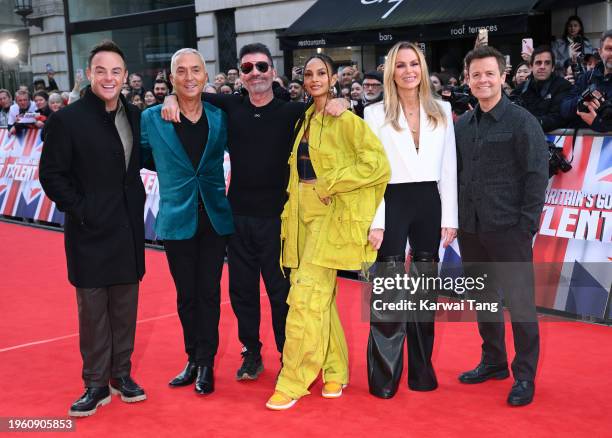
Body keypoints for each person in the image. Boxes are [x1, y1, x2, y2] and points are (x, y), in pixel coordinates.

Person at [162, 43, 348, 383]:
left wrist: (342, 100)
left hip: (279, 220)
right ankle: (251, 353)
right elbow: (191, 95)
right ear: (240, 76)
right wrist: (169, 98)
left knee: (281, 294)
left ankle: (287, 354)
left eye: (262, 67)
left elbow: (331, 115)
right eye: (247, 68)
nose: (255, 74)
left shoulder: (293, 112)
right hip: (238, 219)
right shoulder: (228, 106)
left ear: (273, 72)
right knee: (242, 293)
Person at [265, 53, 390, 410]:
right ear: (303, 81)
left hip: (329, 215)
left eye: (322, 73)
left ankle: (292, 381)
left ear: (333, 78)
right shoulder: (305, 117)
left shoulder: (346, 119)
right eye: (309, 74)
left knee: (305, 297)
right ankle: (335, 370)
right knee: (323, 298)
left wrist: (332, 182)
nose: (315, 78)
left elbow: (377, 165)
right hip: (298, 214)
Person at [39, 39, 147, 417]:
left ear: (125, 77)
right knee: (93, 313)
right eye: (101, 70)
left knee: (125, 309)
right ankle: (96, 383)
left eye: (116, 71)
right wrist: (84, 211)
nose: (108, 77)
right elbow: (51, 176)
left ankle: (122, 375)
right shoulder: (65, 119)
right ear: (89, 74)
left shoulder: (135, 114)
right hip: (89, 232)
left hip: (129, 231)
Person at [454, 46, 548, 407]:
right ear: (467, 80)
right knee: (484, 300)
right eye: (475, 75)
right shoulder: (462, 126)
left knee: (521, 305)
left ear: (503, 76)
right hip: (472, 228)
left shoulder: (523, 121)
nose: (482, 80)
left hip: (510, 229)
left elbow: (536, 176)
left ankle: (524, 374)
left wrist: (526, 227)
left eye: (489, 73)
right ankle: (493, 362)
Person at [365, 41, 457, 399]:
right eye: (401, 65)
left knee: (423, 296)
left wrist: (449, 216)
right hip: (391, 200)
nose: (408, 71)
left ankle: (422, 373)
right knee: (387, 296)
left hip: (429, 204)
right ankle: (384, 379)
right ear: (392, 72)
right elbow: (372, 174)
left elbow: (448, 167)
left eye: (414, 64)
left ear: (423, 68)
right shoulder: (374, 114)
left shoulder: (444, 110)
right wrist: (376, 220)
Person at [141, 48, 234, 395]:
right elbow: (143, 155)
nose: (190, 77)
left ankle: (206, 363)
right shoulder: (152, 117)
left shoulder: (220, 116)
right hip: (176, 217)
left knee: (209, 293)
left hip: (213, 217)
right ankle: (192, 358)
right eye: (182, 71)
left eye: (196, 70)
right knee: (186, 295)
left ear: (206, 76)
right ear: (171, 77)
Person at [510, 46, 572, 132]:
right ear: (531, 67)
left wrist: (529, 122)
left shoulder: (563, 86)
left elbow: (558, 118)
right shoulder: (521, 88)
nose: (542, 67)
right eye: (538, 63)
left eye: (547, 63)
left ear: (553, 67)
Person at [561, 30, 612, 132]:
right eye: (609, 49)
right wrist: (584, 99)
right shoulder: (587, 77)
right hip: (581, 145)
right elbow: (564, 110)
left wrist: (596, 122)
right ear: (600, 52)